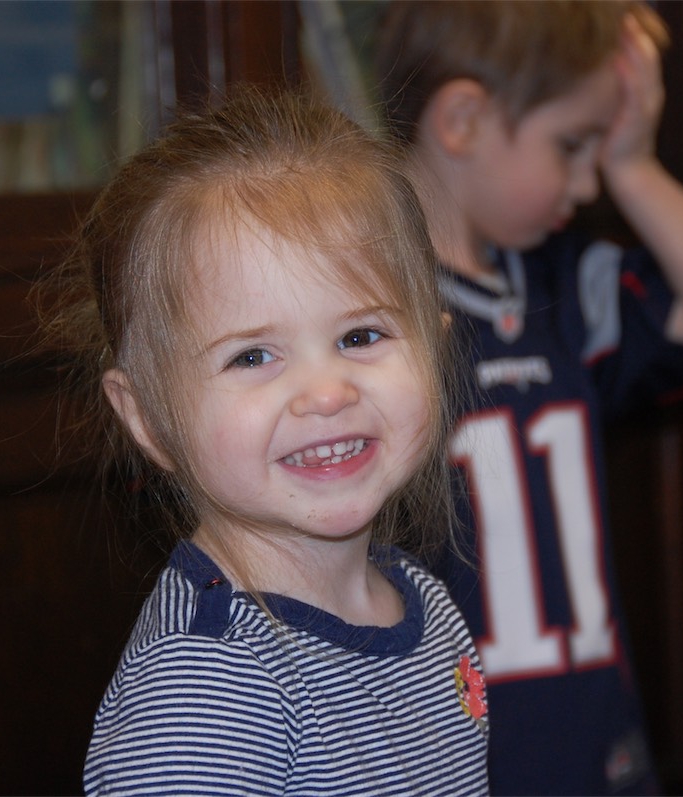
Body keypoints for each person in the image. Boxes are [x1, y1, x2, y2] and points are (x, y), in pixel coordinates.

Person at [35, 86, 490, 795]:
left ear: (433, 349)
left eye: (360, 336)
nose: (326, 393)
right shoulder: (204, 685)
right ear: (147, 417)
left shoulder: (424, 602)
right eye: (252, 356)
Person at [373, 2, 683, 794]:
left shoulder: (560, 284)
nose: (589, 182)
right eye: (571, 145)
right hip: (451, 751)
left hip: (592, 735)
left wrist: (636, 167)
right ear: (462, 120)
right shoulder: (366, 320)